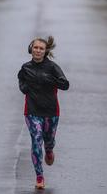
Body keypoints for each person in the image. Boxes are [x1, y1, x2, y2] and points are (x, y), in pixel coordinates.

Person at [17, 36, 70, 189]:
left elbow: (65, 85)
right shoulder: (25, 67)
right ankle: (39, 177)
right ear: (30, 49)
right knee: (36, 141)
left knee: (48, 140)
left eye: (41, 48)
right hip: (32, 111)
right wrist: (24, 87)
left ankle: (49, 150)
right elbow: (21, 82)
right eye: (35, 47)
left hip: (51, 111)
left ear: (45, 51)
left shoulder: (52, 68)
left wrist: (50, 80)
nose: (38, 50)